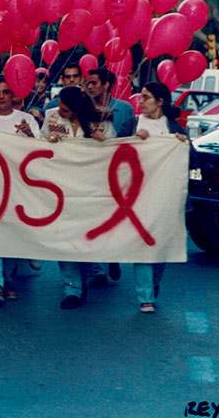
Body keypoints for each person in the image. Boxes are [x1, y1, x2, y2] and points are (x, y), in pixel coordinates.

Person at [0, 75, 41, 307]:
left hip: (19, 187)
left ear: (13, 94)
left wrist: (30, 135)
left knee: (13, 233)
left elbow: (40, 152)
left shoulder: (27, 120)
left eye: (5, 91)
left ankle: (7, 279)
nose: (1, 96)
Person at [41, 86, 108, 310]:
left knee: (86, 238)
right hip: (61, 189)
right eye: (59, 107)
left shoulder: (101, 120)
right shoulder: (51, 117)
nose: (60, 112)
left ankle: (92, 270)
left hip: (89, 190)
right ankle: (72, 289)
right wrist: (47, 140)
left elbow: (115, 149)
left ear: (78, 110)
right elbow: (37, 146)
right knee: (65, 239)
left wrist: (103, 140)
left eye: (66, 111)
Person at [131, 81, 189, 314]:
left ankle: (152, 285)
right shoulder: (132, 124)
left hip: (165, 199)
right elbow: (113, 153)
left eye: (146, 97)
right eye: (141, 97)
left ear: (160, 102)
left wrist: (183, 146)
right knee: (142, 245)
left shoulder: (174, 127)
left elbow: (191, 162)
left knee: (160, 246)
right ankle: (145, 296)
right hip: (138, 198)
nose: (141, 101)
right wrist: (134, 139)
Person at [84, 67, 135, 286]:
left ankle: (111, 255)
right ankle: (98, 269)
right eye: (88, 82)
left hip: (115, 171)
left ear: (106, 84)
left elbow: (129, 137)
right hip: (90, 170)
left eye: (94, 82)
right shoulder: (83, 106)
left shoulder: (123, 108)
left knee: (111, 218)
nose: (90, 86)